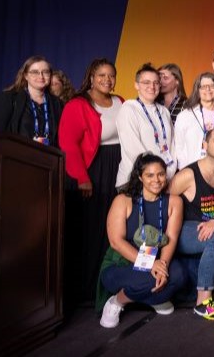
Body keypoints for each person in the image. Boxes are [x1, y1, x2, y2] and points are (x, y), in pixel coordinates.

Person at [59, 58, 123, 305]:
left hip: (119, 168)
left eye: (111, 75)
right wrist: (82, 178)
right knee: (92, 229)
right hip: (93, 170)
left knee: (114, 227)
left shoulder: (121, 102)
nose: (107, 80)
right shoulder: (78, 104)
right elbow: (68, 144)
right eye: (101, 76)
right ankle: (85, 290)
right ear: (91, 77)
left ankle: (108, 284)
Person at [98, 154, 185, 328]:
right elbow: (116, 242)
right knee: (147, 280)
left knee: (179, 276)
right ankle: (117, 301)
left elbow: (172, 237)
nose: (157, 180)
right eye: (150, 175)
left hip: (156, 259)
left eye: (161, 174)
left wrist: (163, 265)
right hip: (122, 263)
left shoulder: (174, 201)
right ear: (140, 177)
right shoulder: (123, 200)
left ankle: (152, 298)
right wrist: (150, 265)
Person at [169, 128, 214, 319]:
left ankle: (209, 290)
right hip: (183, 231)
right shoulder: (188, 175)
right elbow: (163, 203)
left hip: (208, 230)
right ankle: (203, 303)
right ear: (205, 145)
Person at [115, 64, 177, 189]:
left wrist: (167, 173)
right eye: (146, 82)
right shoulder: (129, 108)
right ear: (136, 85)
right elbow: (133, 149)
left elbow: (172, 146)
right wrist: (153, 175)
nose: (152, 87)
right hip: (135, 180)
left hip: (162, 179)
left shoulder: (164, 111)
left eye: (156, 82)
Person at [0, 55, 63, 146]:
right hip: (15, 157)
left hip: (48, 158)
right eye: (35, 72)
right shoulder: (9, 99)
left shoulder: (57, 104)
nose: (41, 76)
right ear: (26, 75)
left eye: (45, 72)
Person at [174, 73, 214, 168]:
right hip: (194, 172)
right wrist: (186, 171)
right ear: (197, 91)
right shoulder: (185, 116)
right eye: (203, 86)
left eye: (212, 86)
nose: (208, 89)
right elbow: (179, 148)